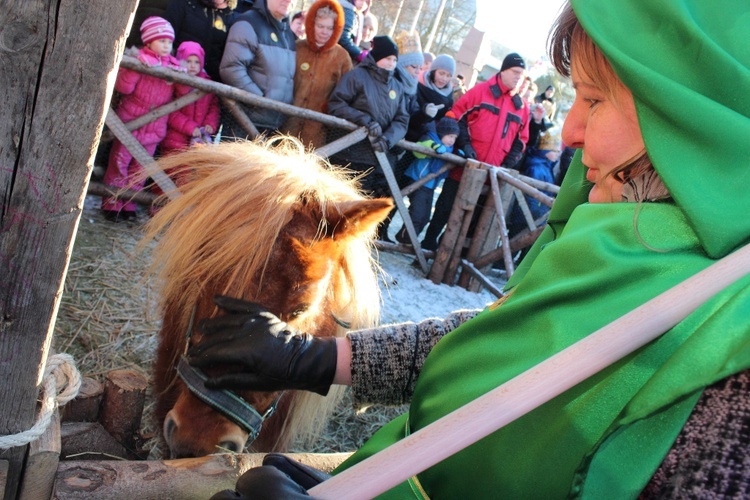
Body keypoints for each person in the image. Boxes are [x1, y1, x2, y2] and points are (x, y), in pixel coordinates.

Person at [193, 0, 750, 497]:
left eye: (594, 99)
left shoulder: (732, 383)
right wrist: (315, 359)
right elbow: (506, 341)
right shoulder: (629, 249)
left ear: (686, 121)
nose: (571, 133)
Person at [420, 52, 530, 250]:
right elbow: (455, 116)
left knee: (475, 222)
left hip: (492, 177)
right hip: (464, 168)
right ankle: (428, 247)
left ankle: (454, 258)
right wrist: (466, 146)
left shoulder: (522, 108)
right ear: (503, 70)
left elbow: (522, 140)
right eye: (515, 72)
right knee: (445, 209)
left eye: (521, 74)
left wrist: (508, 163)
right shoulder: (480, 91)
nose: (518, 77)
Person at [101, 16, 183, 222]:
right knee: (119, 163)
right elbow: (124, 88)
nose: (166, 45)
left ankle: (129, 205)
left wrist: (182, 76)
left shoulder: (173, 67)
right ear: (149, 41)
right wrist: (130, 69)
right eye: (162, 41)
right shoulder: (139, 60)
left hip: (155, 126)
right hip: (131, 122)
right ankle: (112, 203)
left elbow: (184, 92)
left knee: (141, 167)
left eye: (169, 42)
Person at [326, 35, 409, 200]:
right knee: (332, 199)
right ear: (377, 57)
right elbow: (336, 104)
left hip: (373, 157)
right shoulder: (356, 76)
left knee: (356, 204)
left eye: (394, 59)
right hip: (345, 151)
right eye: (387, 58)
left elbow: (402, 120)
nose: (391, 63)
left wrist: (388, 139)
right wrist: (365, 121)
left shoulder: (397, 87)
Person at [281, 0, 351, 149]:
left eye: (329, 28)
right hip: (286, 125)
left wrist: (328, 110)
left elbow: (347, 94)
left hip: (316, 132)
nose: (324, 32)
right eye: (320, 26)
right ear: (312, 25)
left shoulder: (342, 57)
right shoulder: (297, 47)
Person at [219, 0, 295, 136]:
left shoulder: (288, 33)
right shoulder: (248, 23)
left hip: (275, 123)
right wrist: (258, 101)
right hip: (244, 119)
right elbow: (231, 68)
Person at [155, 41, 221, 196]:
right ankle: (158, 203)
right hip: (175, 139)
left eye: (197, 61)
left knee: (188, 175)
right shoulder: (176, 81)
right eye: (188, 61)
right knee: (168, 172)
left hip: (198, 140)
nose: (192, 65)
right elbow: (170, 111)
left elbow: (214, 107)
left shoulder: (208, 84)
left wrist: (210, 124)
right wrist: (190, 127)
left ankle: (177, 206)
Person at [394, 117, 460, 244]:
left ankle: (405, 239)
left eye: (455, 138)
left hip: (430, 186)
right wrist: (433, 147)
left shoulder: (450, 150)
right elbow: (420, 149)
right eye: (450, 136)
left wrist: (459, 156)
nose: (452, 140)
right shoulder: (430, 140)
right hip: (418, 181)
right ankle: (406, 240)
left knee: (425, 218)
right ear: (441, 134)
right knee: (417, 215)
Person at [165, 0, 237, 82]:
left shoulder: (230, 16)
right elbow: (166, 41)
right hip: (175, 78)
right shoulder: (183, 3)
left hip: (210, 85)